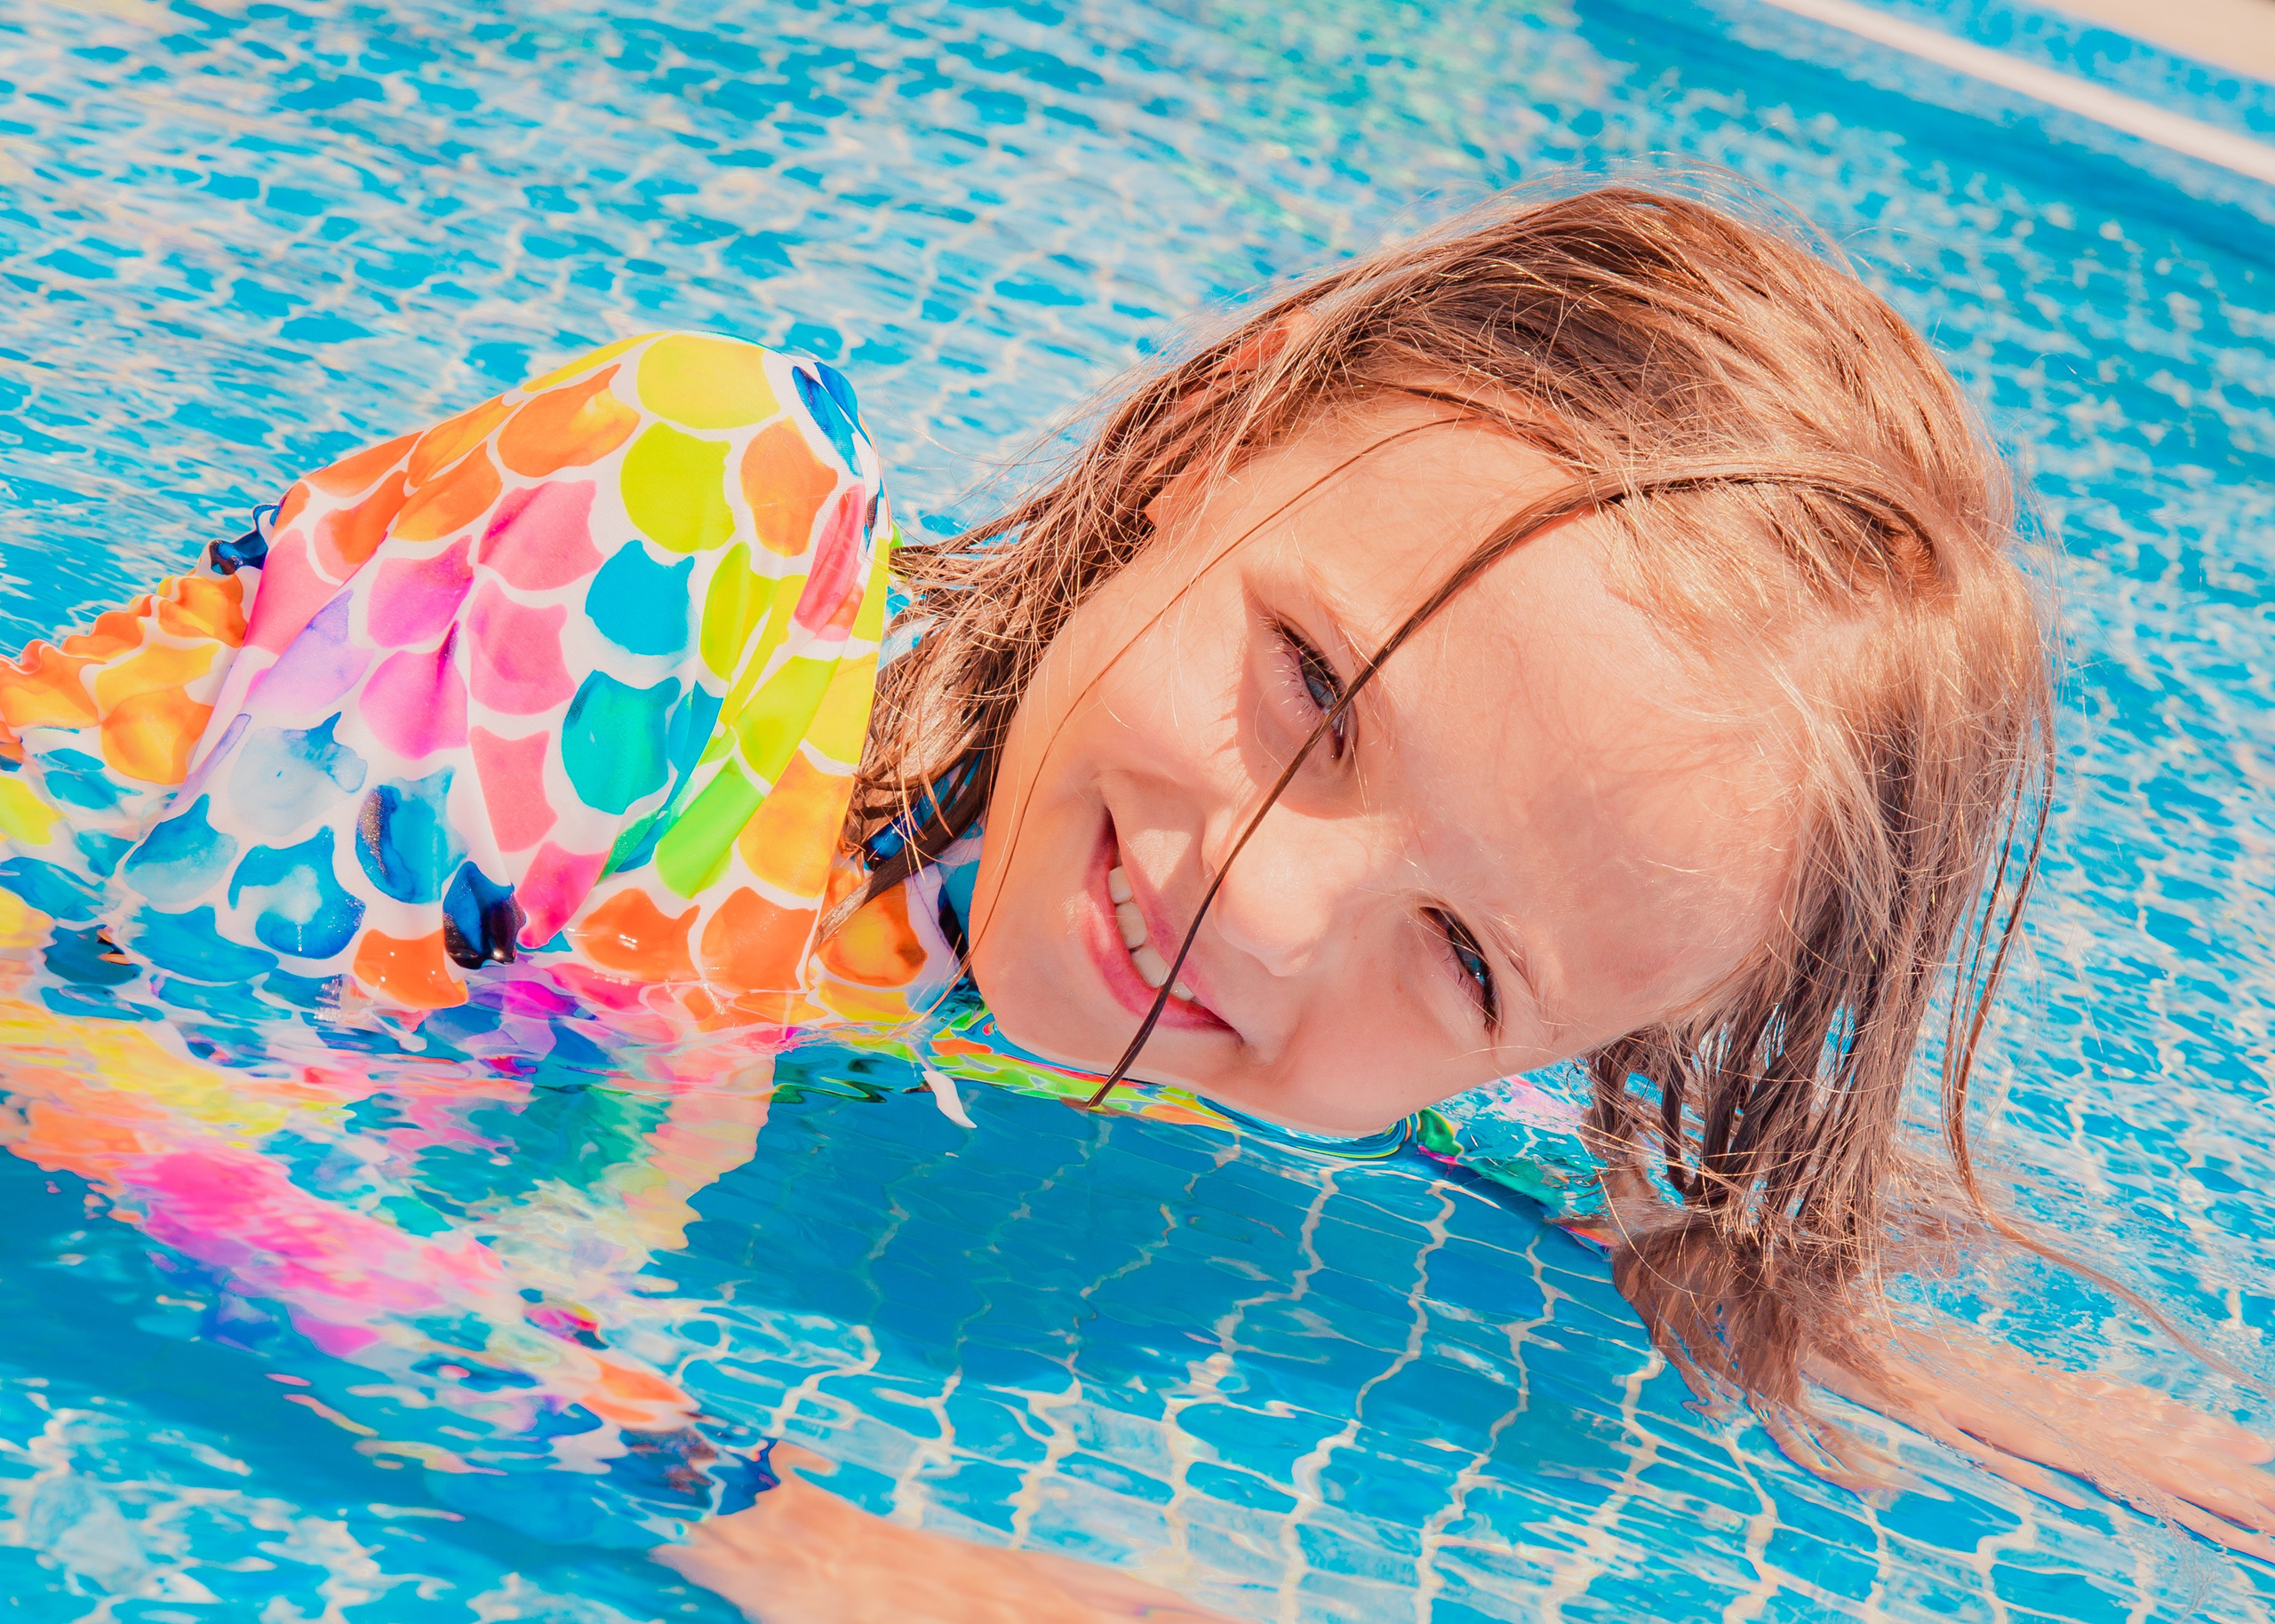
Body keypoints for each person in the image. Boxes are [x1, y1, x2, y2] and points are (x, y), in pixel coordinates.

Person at [0, 185, 2269, 1620]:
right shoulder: (673, 527)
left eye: (1466, 957)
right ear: (1214, 433)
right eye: (1313, 686)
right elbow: (99, 1067)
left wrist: (1936, 1379)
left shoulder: (1131, 927)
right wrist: (783, 1539)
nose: (1260, 915)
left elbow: (1491, 1162)